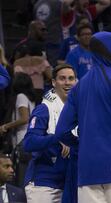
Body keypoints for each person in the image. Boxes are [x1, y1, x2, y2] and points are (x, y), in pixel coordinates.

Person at [55, 31, 111, 203]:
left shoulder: (80, 85)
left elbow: (62, 131)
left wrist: (82, 143)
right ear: (108, 52)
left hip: (87, 169)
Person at [23, 64, 77, 203]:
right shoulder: (44, 109)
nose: (67, 82)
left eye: (71, 78)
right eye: (62, 78)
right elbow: (29, 142)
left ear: (76, 82)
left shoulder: (79, 110)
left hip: (69, 182)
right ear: (54, 82)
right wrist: (57, 138)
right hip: (44, 183)